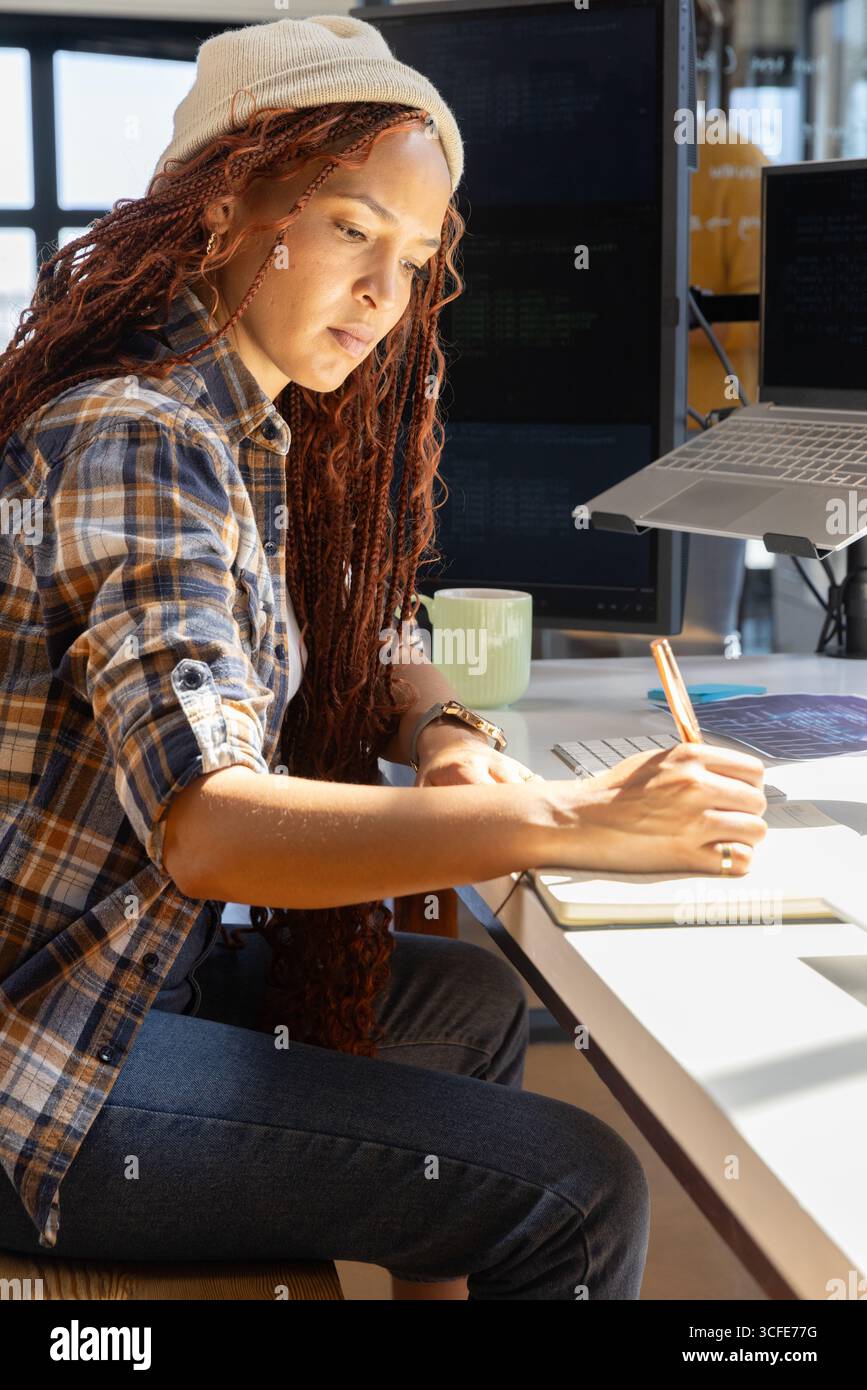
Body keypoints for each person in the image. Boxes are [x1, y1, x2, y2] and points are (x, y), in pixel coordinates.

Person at [0, 15, 767, 1299]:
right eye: (354, 229)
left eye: (413, 258)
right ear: (224, 205)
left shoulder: (240, 422)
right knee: (578, 1190)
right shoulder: (143, 437)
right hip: (46, 1057)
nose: (383, 292)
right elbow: (212, 829)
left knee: (463, 1005)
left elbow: (360, 619)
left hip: (130, 977)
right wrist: (562, 815)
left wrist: (446, 729)